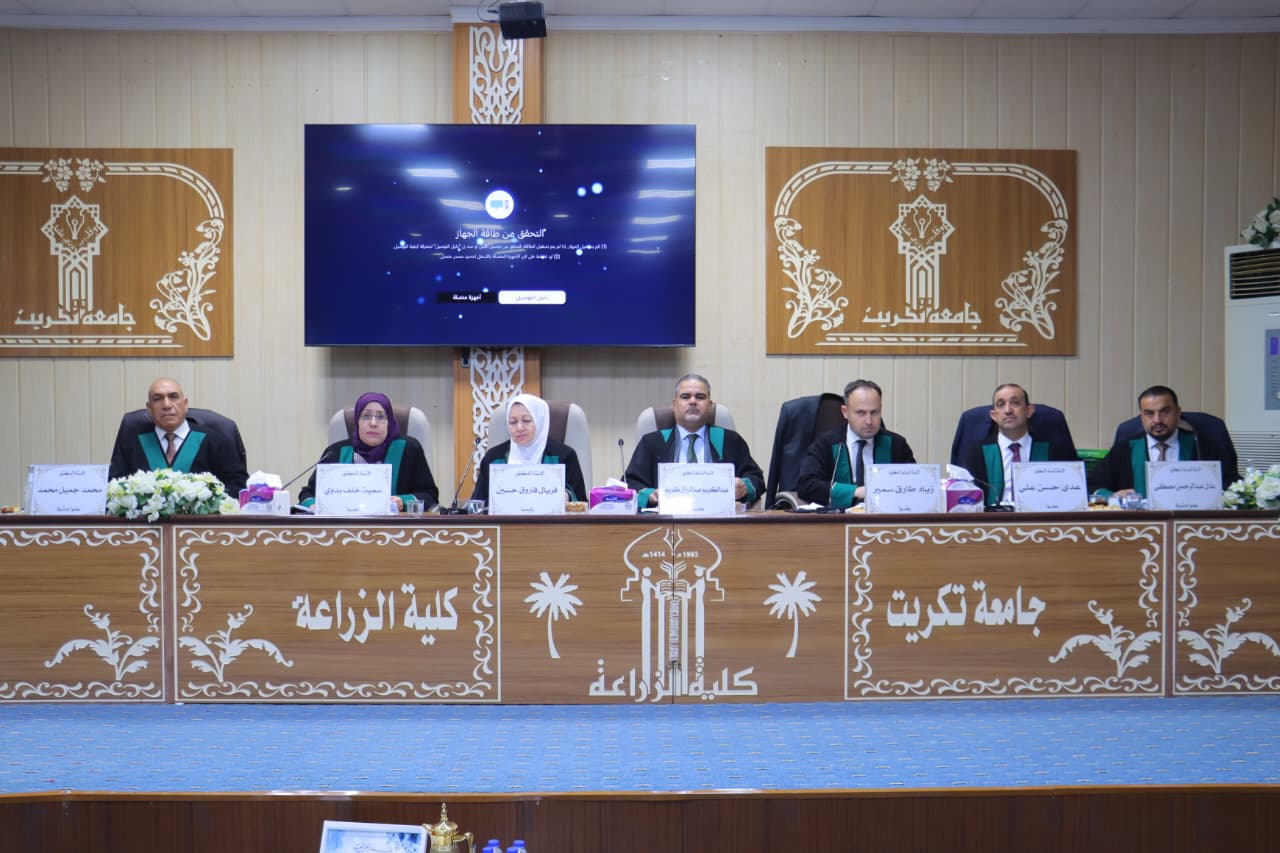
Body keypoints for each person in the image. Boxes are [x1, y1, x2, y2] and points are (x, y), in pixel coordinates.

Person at [624, 374, 765, 509]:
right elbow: (629, 484)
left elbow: (756, 479)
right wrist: (650, 495)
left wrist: (744, 487)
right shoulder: (652, 442)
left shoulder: (730, 440)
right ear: (674, 404)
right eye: (685, 397)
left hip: (719, 520)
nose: (693, 401)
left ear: (710, 405)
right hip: (667, 520)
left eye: (700, 397)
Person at [108, 377, 249, 496]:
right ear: (149, 409)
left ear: (185, 404)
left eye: (173, 397)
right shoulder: (132, 443)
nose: (166, 405)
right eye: (157, 399)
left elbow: (238, 485)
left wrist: (210, 502)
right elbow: (113, 486)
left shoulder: (215, 441)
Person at [298, 392, 438, 511]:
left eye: (381, 417)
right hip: (343, 528)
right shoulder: (335, 452)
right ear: (357, 421)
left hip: (396, 530)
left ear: (389, 422)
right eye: (366, 416)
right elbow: (308, 494)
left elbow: (429, 496)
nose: (373, 423)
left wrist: (403, 502)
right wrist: (313, 505)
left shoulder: (409, 449)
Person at [1096, 385, 1240, 499]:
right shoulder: (1125, 449)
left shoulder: (1201, 446)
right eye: (1149, 414)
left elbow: (1230, 486)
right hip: (1138, 523)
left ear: (1178, 412)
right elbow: (1094, 485)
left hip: (1189, 522)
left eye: (1164, 412)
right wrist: (1113, 496)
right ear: (1141, 417)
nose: (1157, 420)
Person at [795, 379, 916, 509]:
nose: (869, 421)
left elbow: (914, 485)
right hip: (839, 518)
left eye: (874, 412)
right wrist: (854, 492)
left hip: (884, 517)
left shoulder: (896, 444)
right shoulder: (826, 444)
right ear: (845, 412)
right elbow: (806, 485)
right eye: (861, 413)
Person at [960, 383, 1078, 507]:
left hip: (1041, 517)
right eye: (1001, 405)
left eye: (1015, 403)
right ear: (993, 416)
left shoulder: (1053, 450)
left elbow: (1069, 497)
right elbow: (968, 501)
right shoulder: (977, 452)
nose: (1008, 410)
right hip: (993, 517)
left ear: (1029, 411)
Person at [473, 393, 588, 505]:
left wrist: (568, 496)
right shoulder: (493, 458)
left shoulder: (564, 456)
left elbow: (581, 502)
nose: (519, 428)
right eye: (513, 422)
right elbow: (477, 504)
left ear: (540, 420)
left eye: (526, 420)